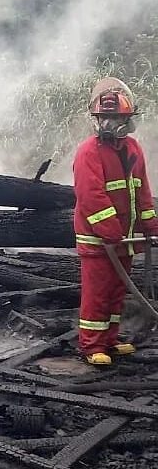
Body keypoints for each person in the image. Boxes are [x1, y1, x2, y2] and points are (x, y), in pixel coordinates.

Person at [73, 77, 158, 366]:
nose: (109, 123)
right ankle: (91, 345)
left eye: (115, 117)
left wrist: (151, 224)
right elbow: (91, 196)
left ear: (127, 118)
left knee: (116, 292)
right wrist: (110, 231)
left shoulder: (133, 149)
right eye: (104, 117)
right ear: (96, 119)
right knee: (98, 294)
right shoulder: (88, 152)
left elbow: (142, 190)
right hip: (99, 241)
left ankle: (109, 339)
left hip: (124, 239)